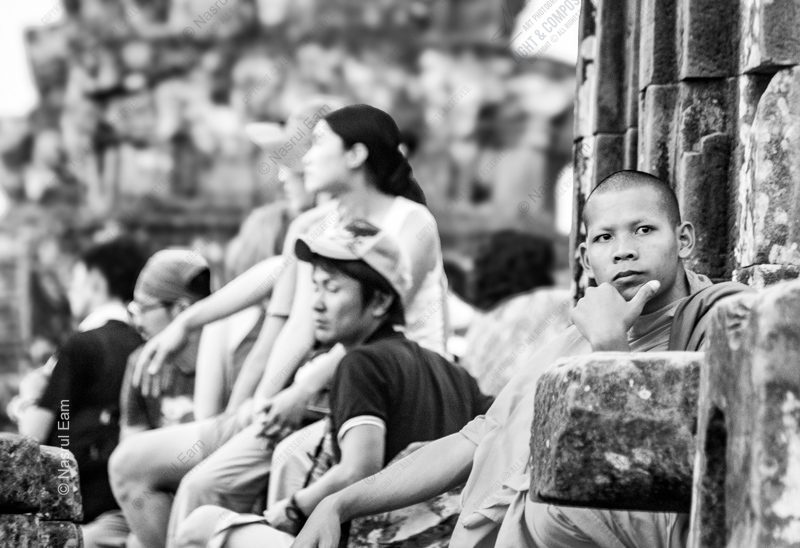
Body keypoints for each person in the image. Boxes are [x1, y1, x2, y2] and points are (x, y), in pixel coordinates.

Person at [293, 170, 751, 548]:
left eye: (644, 230)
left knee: (555, 500)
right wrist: (341, 503)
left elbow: (677, 475)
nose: (624, 250)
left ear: (684, 239)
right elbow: (474, 441)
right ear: (586, 260)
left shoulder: (729, 324)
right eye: (605, 237)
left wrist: (611, 348)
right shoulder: (568, 345)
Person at [110, 103, 450, 548]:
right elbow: (294, 324)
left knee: (272, 468)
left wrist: (298, 389)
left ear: (356, 155)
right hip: (322, 395)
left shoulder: (411, 222)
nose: (303, 159)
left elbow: (374, 331)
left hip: (390, 389)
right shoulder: (319, 227)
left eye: (318, 144)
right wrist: (263, 399)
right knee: (187, 482)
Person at [174, 223, 492, 548]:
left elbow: (357, 469)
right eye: (316, 287)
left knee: (200, 525)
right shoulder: (455, 374)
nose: (317, 303)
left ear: (380, 302)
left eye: (333, 288)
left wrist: (294, 508)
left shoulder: (361, 364)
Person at [15, 237, 147, 545]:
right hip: (133, 504)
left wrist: (26, 401)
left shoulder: (82, 345)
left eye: (75, 281)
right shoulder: (144, 344)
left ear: (96, 281)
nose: (69, 291)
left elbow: (33, 436)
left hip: (81, 507)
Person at [81, 248, 210, 548]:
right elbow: (131, 454)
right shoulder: (140, 363)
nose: (136, 321)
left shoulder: (224, 354)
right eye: (132, 310)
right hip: (155, 496)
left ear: (179, 310)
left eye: (144, 308)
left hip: (204, 491)